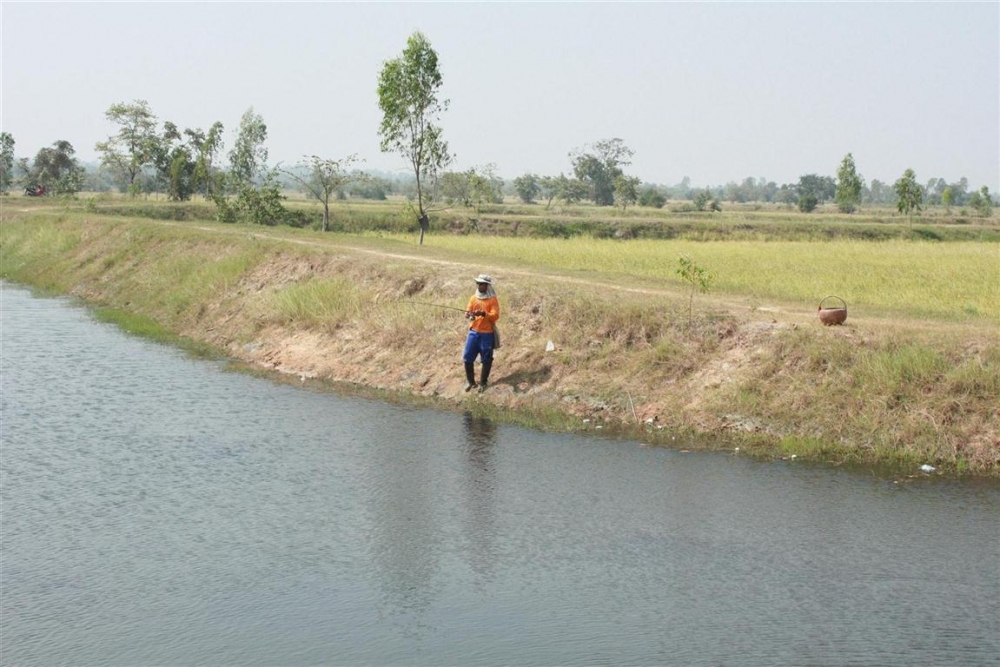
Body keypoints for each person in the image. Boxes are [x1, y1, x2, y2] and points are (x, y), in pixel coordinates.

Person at [463, 274, 500, 393]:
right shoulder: (473, 298)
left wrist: (484, 314)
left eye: (482, 284)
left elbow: (495, 316)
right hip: (473, 332)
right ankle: (471, 382)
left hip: (487, 334)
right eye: (478, 283)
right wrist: (469, 314)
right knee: (467, 358)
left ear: (487, 286)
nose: (479, 286)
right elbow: (468, 311)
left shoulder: (492, 300)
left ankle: (483, 383)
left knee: (487, 359)